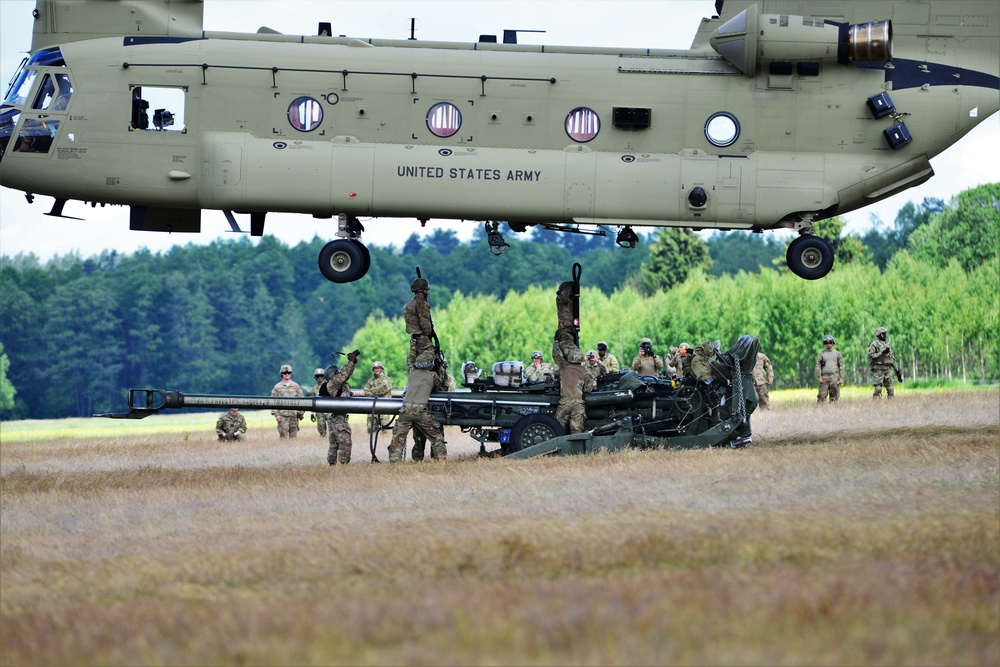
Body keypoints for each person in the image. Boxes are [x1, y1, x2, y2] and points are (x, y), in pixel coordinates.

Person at [389, 350, 447, 462]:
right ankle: (441, 460)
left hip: (405, 410)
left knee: (398, 438)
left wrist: (413, 346)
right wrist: (440, 367)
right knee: (436, 437)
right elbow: (439, 386)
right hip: (420, 411)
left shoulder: (412, 373)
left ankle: (394, 462)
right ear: (430, 366)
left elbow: (409, 361)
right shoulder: (433, 375)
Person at [325, 350, 360, 465]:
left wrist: (353, 362)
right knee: (345, 443)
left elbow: (347, 374)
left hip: (336, 418)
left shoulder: (336, 383)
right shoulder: (333, 383)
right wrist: (350, 361)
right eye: (337, 372)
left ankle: (332, 465)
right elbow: (343, 375)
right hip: (338, 418)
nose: (340, 373)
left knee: (334, 444)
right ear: (332, 375)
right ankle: (343, 466)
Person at [404, 277, 434, 373]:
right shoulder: (422, 304)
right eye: (425, 289)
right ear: (421, 290)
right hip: (423, 338)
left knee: (412, 360)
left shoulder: (409, 304)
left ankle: (414, 379)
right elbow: (425, 325)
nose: (427, 290)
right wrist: (430, 332)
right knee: (430, 356)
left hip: (414, 338)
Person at [555, 347, 589, 433]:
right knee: (577, 430)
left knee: (558, 429)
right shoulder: (585, 371)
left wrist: (556, 343)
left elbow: (555, 355)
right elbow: (588, 389)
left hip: (564, 403)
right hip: (578, 404)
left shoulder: (563, 367)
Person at [271, 364, 303, 438]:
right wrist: (277, 415)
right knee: (283, 437)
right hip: (282, 416)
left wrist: (300, 412)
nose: (287, 374)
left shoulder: (296, 386)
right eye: (285, 373)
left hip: (294, 416)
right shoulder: (277, 387)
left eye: (288, 373)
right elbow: (272, 402)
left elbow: (302, 400)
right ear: (282, 374)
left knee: (293, 437)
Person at [363, 361, 393, 434]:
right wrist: (374, 392)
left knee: (385, 429)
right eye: (375, 368)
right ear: (373, 370)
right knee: (370, 430)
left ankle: (383, 444)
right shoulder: (370, 381)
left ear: (381, 369)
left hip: (384, 408)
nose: (377, 370)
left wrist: (372, 391)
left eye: (378, 368)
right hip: (372, 408)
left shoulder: (386, 379)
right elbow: (366, 392)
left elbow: (382, 389)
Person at [868, 326, 896, 398]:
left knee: (890, 388)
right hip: (878, 369)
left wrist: (896, 369)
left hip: (888, 368)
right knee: (878, 388)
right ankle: (877, 404)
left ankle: (892, 403)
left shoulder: (887, 343)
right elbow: (871, 356)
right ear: (880, 334)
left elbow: (891, 357)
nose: (885, 335)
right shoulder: (874, 344)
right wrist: (881, 353)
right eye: (883, 333)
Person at [816, 335, 845, 403]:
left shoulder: (837, 354)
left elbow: (841, 366)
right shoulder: (821, 354)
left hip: (834, 377)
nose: (828, 344)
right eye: (826, 343)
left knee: (834, 396)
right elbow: (818, 365)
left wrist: (841, 378)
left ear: (833, 343)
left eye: (830, 342)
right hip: (824, 377)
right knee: (822, 396)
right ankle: (819, 411)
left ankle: (832, 410)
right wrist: (819, 377)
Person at [303, 368, 328, 437]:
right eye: (318, 376)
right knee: (321, 429)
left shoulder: (329, 386)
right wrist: (312, 413)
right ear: (315, 378)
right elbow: (311, 401)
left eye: (321, 376)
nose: (320, 378)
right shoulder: (313, 389)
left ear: (324, 376)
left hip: (329, 410)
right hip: (319, 412)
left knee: (333, 429)